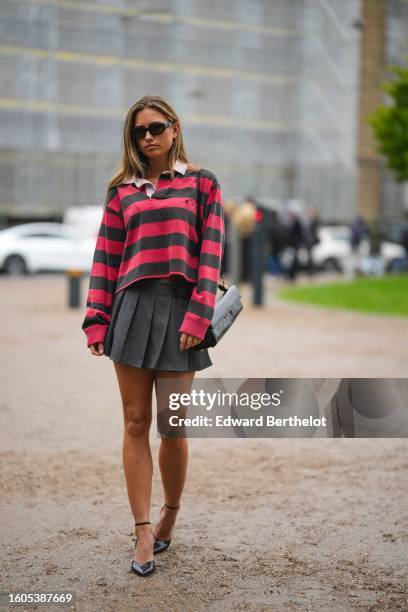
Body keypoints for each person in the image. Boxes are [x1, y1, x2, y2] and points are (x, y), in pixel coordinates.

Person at [81, 95, 225, 577]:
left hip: (183, 310)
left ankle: (170, 514)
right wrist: (97, 319)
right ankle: (142, 530)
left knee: (174, 426)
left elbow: (211, 255)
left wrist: (198, 316)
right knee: (136, 420)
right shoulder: (121, 191)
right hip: (132, 308)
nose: (148, 137)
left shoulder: (203, 183)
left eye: (156, 127)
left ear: (175, 128)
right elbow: (106, 259)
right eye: (139, 131)